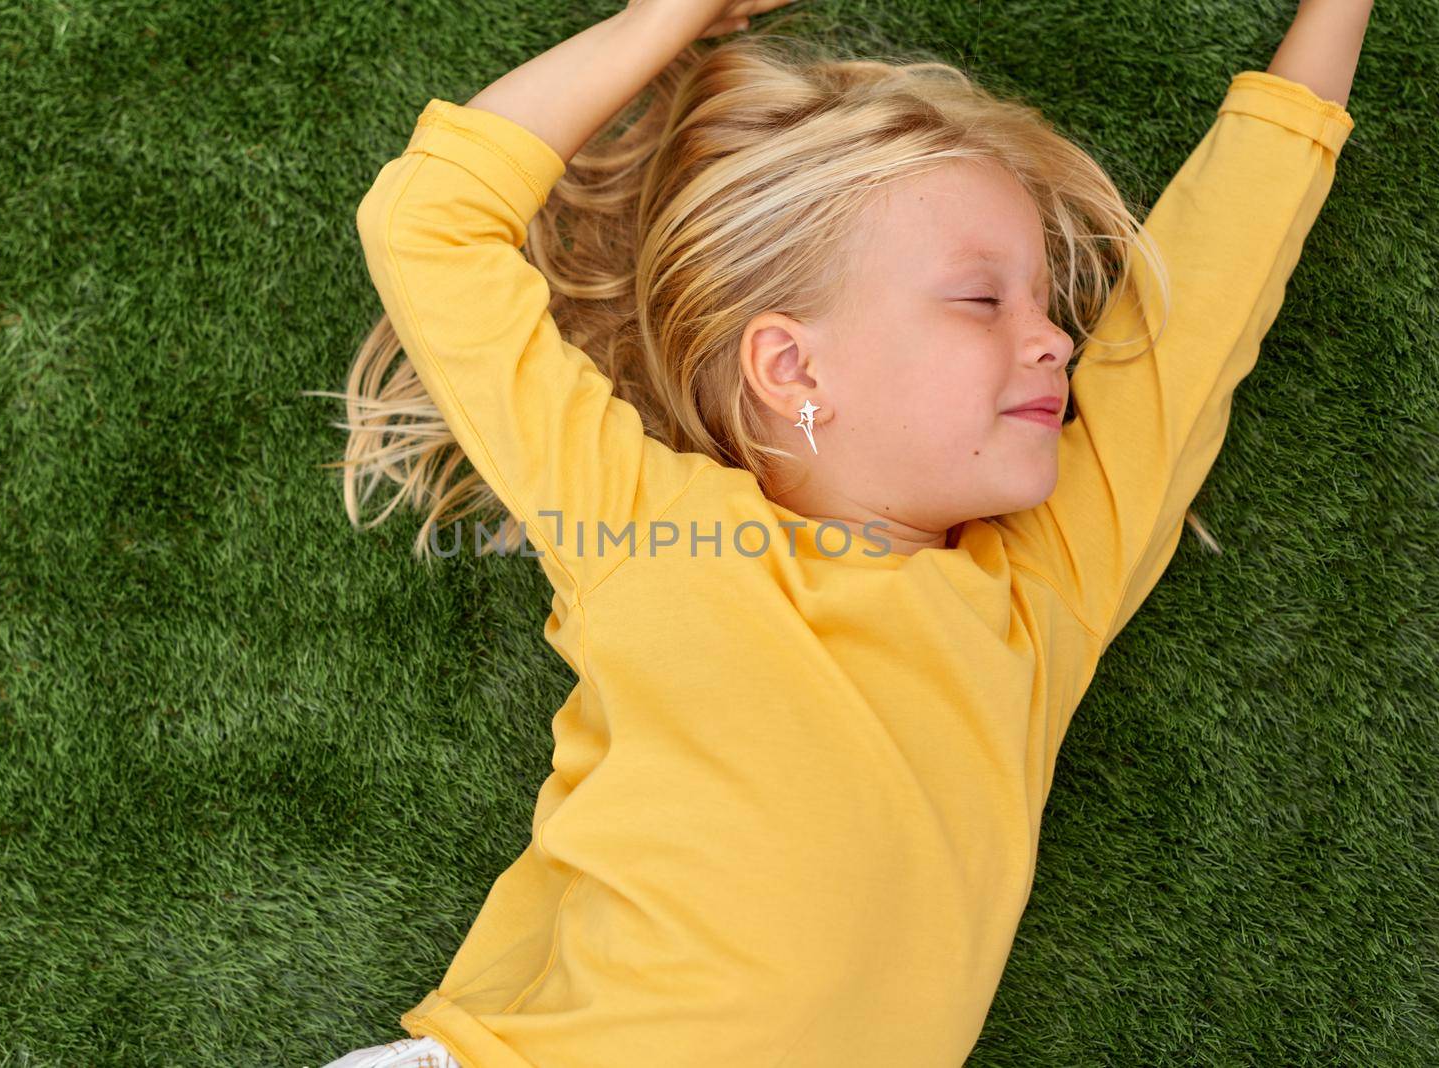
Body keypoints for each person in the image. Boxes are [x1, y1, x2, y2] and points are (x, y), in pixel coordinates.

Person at [315, 0, 1371, 1063]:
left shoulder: (1045, 587)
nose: (1053, 338)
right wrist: (664, 20)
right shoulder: (649, 530)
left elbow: (1200, 320)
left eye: (1044, 304)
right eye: (979, 300)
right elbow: (429, 226)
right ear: (791, 368)